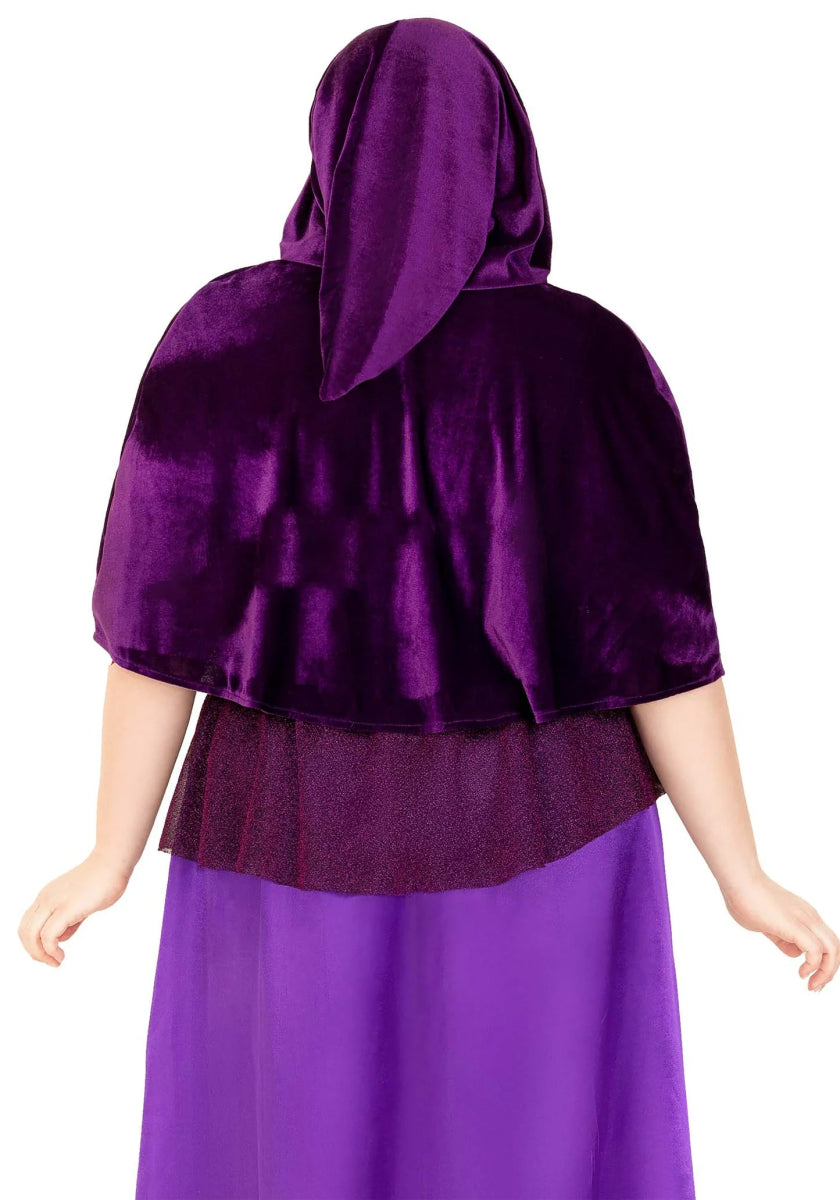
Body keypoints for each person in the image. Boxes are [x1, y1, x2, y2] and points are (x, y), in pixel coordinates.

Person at [18, 17, 838, 1200]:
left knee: (285, 1148)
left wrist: (110, 851)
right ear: (509, 156)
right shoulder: (589, 360)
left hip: (283, 815)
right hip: (544, 820)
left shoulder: (223, 341)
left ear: (329, 140)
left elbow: (159, 628)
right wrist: (742, 870)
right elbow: (663, 653)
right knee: (522, 1153)